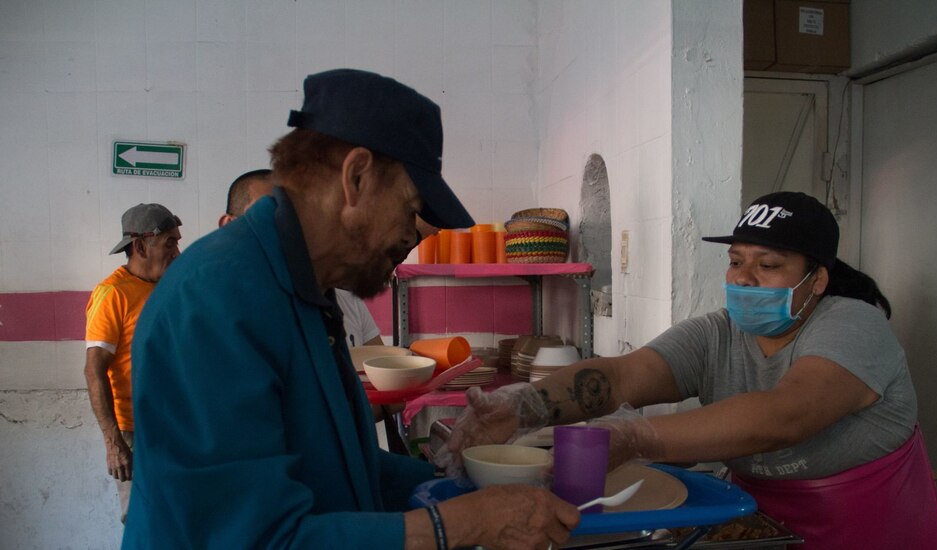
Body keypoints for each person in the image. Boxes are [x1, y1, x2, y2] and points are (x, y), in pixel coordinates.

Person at [123, 69, 578, 549]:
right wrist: (462, 524)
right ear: (356, 177)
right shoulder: (216, 300)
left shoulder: (306, 291)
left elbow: (337, 467)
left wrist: (463, 482)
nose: (412, 235)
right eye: (410, 209)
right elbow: (256, 538)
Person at [443, 192, 937, 550]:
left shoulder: (853, 325)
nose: (744, 278)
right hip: (758, 529)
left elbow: (783, 417)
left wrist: (637, 437)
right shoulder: (718, 333)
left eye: (768, 265)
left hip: (874, 532)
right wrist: (522, 406)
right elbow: (621, 377)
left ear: (817, 281)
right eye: (735, 261)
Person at [84, 203, 182, 524]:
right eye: (169, 242)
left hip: (175, 425)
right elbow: (94, 370)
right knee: (141, 522)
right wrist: (113, 442)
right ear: (140, 246)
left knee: (177, 518)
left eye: (177, 242)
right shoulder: (112, 294)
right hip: (133, 432)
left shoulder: (168, 287)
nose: (177, 252)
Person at [220, 168, 383, 347]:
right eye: (268, 216)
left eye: (297, 220)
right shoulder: (216, 308)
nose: (288, 231)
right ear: (228, 225)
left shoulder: (342, 300)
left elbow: (382, 363)